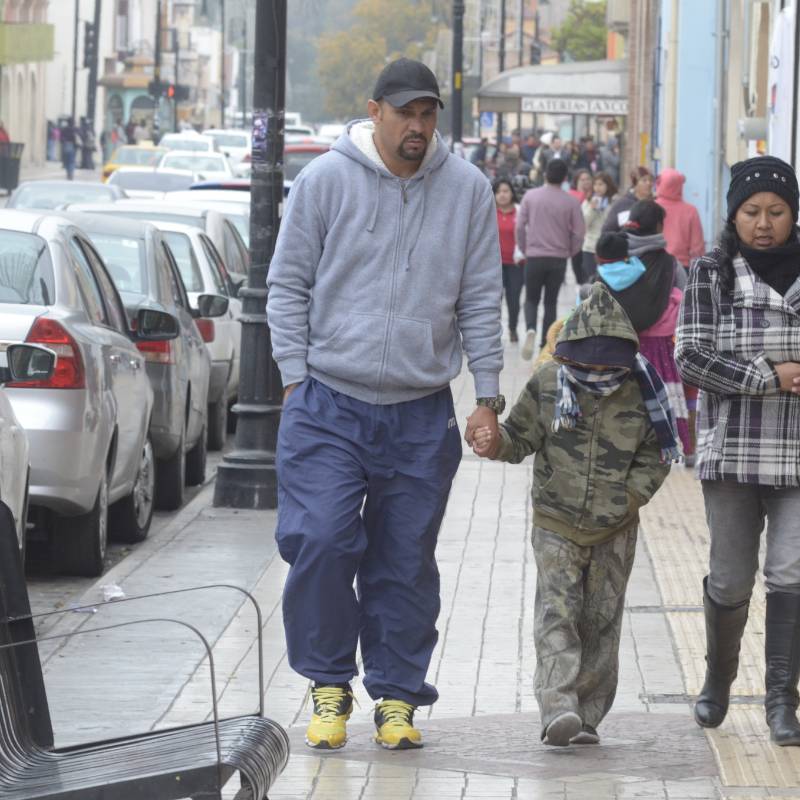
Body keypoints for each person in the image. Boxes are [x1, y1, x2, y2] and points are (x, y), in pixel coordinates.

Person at [266, 57, 504, 753]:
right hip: (327, 403)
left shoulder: (467, 191)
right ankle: (329, 682)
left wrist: (487, 396)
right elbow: (287, 286)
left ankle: (398, 696)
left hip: (421, 409)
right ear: (375, 112)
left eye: (429, 115)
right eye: (406, 113)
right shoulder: (324, 181)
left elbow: (482, 300)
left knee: (404, 560)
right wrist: (292, 380)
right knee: (319, 540)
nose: (419, 128)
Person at [674, 155, 800, 748]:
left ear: (793, 213)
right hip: (732, 450)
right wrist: (771, 375)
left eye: (776, 211)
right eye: (752, 211)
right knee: (732, 578)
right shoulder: (712, 272)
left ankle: (782, 703)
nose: (764, 223)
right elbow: (691, 355)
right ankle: (718, 678)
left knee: (790, 573)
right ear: (734, 214)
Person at [471, 281, 675, 747]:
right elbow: (520, 438)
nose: (597, 373)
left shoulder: (644, 388)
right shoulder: (548, 383)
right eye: (587, 364)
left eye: (608, 366)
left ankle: (587, 716)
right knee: (557, 614)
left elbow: (658, 455)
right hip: (555, 523)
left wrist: (629, 498)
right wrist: (494, 442)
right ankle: (558, 707)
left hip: (616, 529)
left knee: (600, 621)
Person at [592, 202, 690, 454]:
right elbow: (687, 300)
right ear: (658, 226)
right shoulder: (670, 264)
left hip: (620, 345)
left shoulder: (614, 255)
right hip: (659, 349)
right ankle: (667, 443)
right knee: (661, 395)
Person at [515, 157, 585, 361]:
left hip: (534, 256)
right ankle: (546, 343)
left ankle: (529, 328)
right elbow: (579, 233)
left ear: (545, 174)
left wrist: (524, 247)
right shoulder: (571, 201)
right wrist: (570, 251)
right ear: (565, 178)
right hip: (558, 258)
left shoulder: (530, 196)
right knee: (551, 302)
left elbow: (520, 226)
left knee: (531, 299)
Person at [655, 168, 706, 269]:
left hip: (655, 265)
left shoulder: (652, 207)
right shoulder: (691, 210)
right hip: (682, 266)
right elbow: (697, 246)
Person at [495, 178, 524, 343]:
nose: (502, 195)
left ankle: (513, 329)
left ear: (512, 193)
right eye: (499, 192)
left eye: (506, 191)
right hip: (494, 265)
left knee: (514, 299)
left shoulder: (520, 212)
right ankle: (494, 332)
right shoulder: (489, 211)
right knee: (494, 301)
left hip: (515, 263)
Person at [581, 171, 616, 284]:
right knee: (592, 281)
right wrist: (592, 209)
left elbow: (613, 223)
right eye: (595, 184)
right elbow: (583, 224)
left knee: (606, 283)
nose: (598, 188)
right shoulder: (587, 202)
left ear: (607, 185)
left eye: (601, 184)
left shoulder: (613, 202)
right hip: (590, 247)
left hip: (607, 247)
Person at [602, 166, 654, 233]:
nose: (649, 183)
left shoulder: (654, 204)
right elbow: (607, 230)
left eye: (651, 180)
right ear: (635, 183)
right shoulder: (622, 204)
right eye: (644, 180)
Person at [568, 169, 594, 284]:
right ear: (576, 181)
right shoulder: (571, 195)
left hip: (591, 238)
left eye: (588, 179)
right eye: (582, 180)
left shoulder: (596, 195)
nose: (585, 182)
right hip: (577, 238)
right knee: (578, 268)